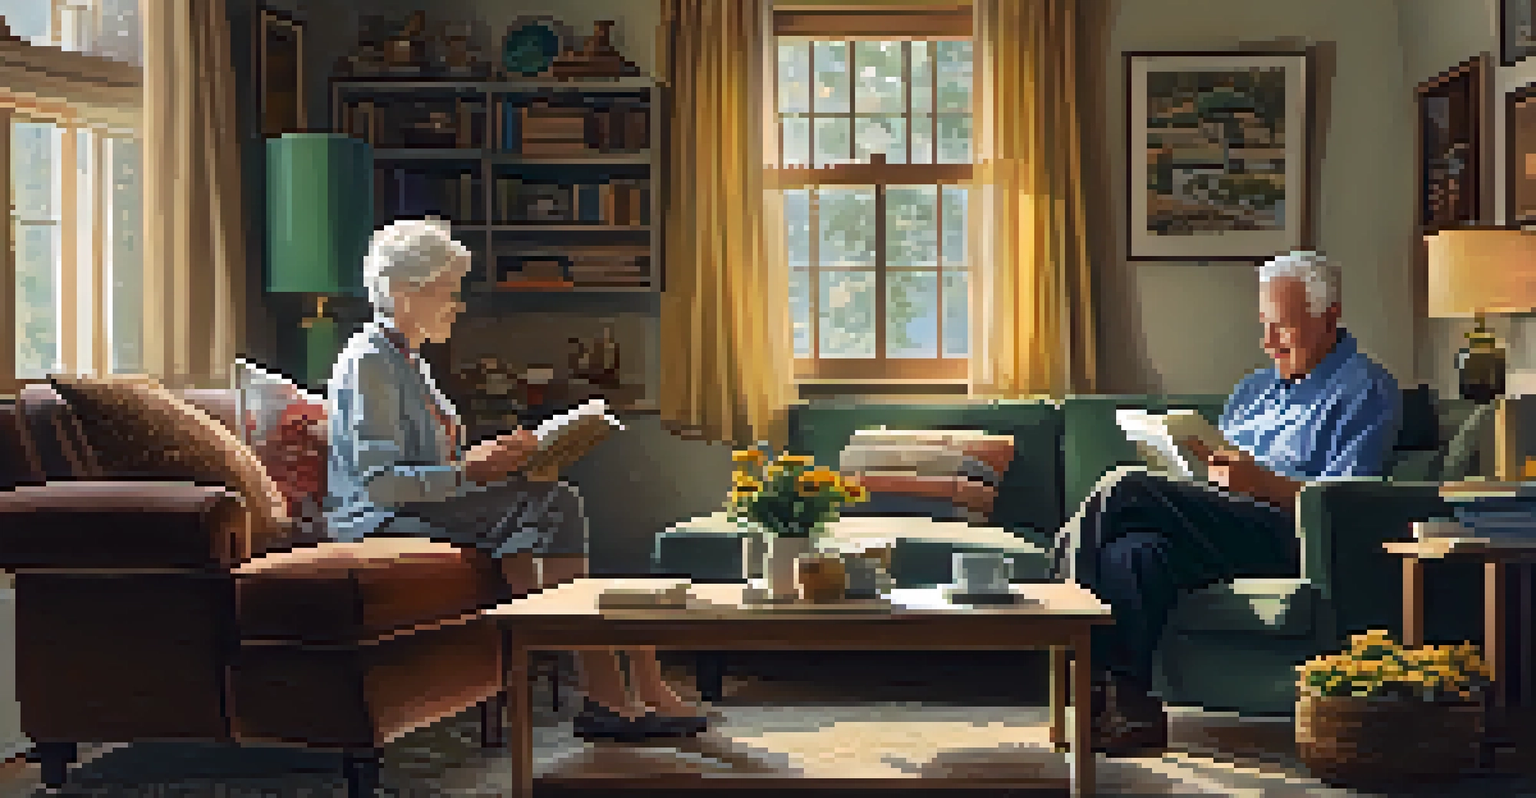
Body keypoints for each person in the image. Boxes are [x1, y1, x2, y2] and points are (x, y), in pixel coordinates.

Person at [326, 218, 708, 742]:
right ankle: (603, 692)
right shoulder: (369, 362)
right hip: (378, 520)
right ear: (400, 292)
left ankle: (619, 682)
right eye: (445, 292)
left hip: (419, 507)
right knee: (554, 505)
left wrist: (493, 458)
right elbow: (380, 484)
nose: (455, 306)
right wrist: (471, 470)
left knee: (549, 504)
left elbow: (435, 464)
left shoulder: (410, 362)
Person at [1051, 251, 1401, 754]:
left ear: (1329, 317)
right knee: (1135, 552)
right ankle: (1132, 708)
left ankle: (1065, 631)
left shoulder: (1366, 389)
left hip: (1289, 535)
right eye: (1264, 326)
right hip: (1220, 527)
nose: (1267, 342)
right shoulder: (1254, 390)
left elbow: (1349, 505)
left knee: (1125, 487)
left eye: (1282, 327)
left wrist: (1263, 483)